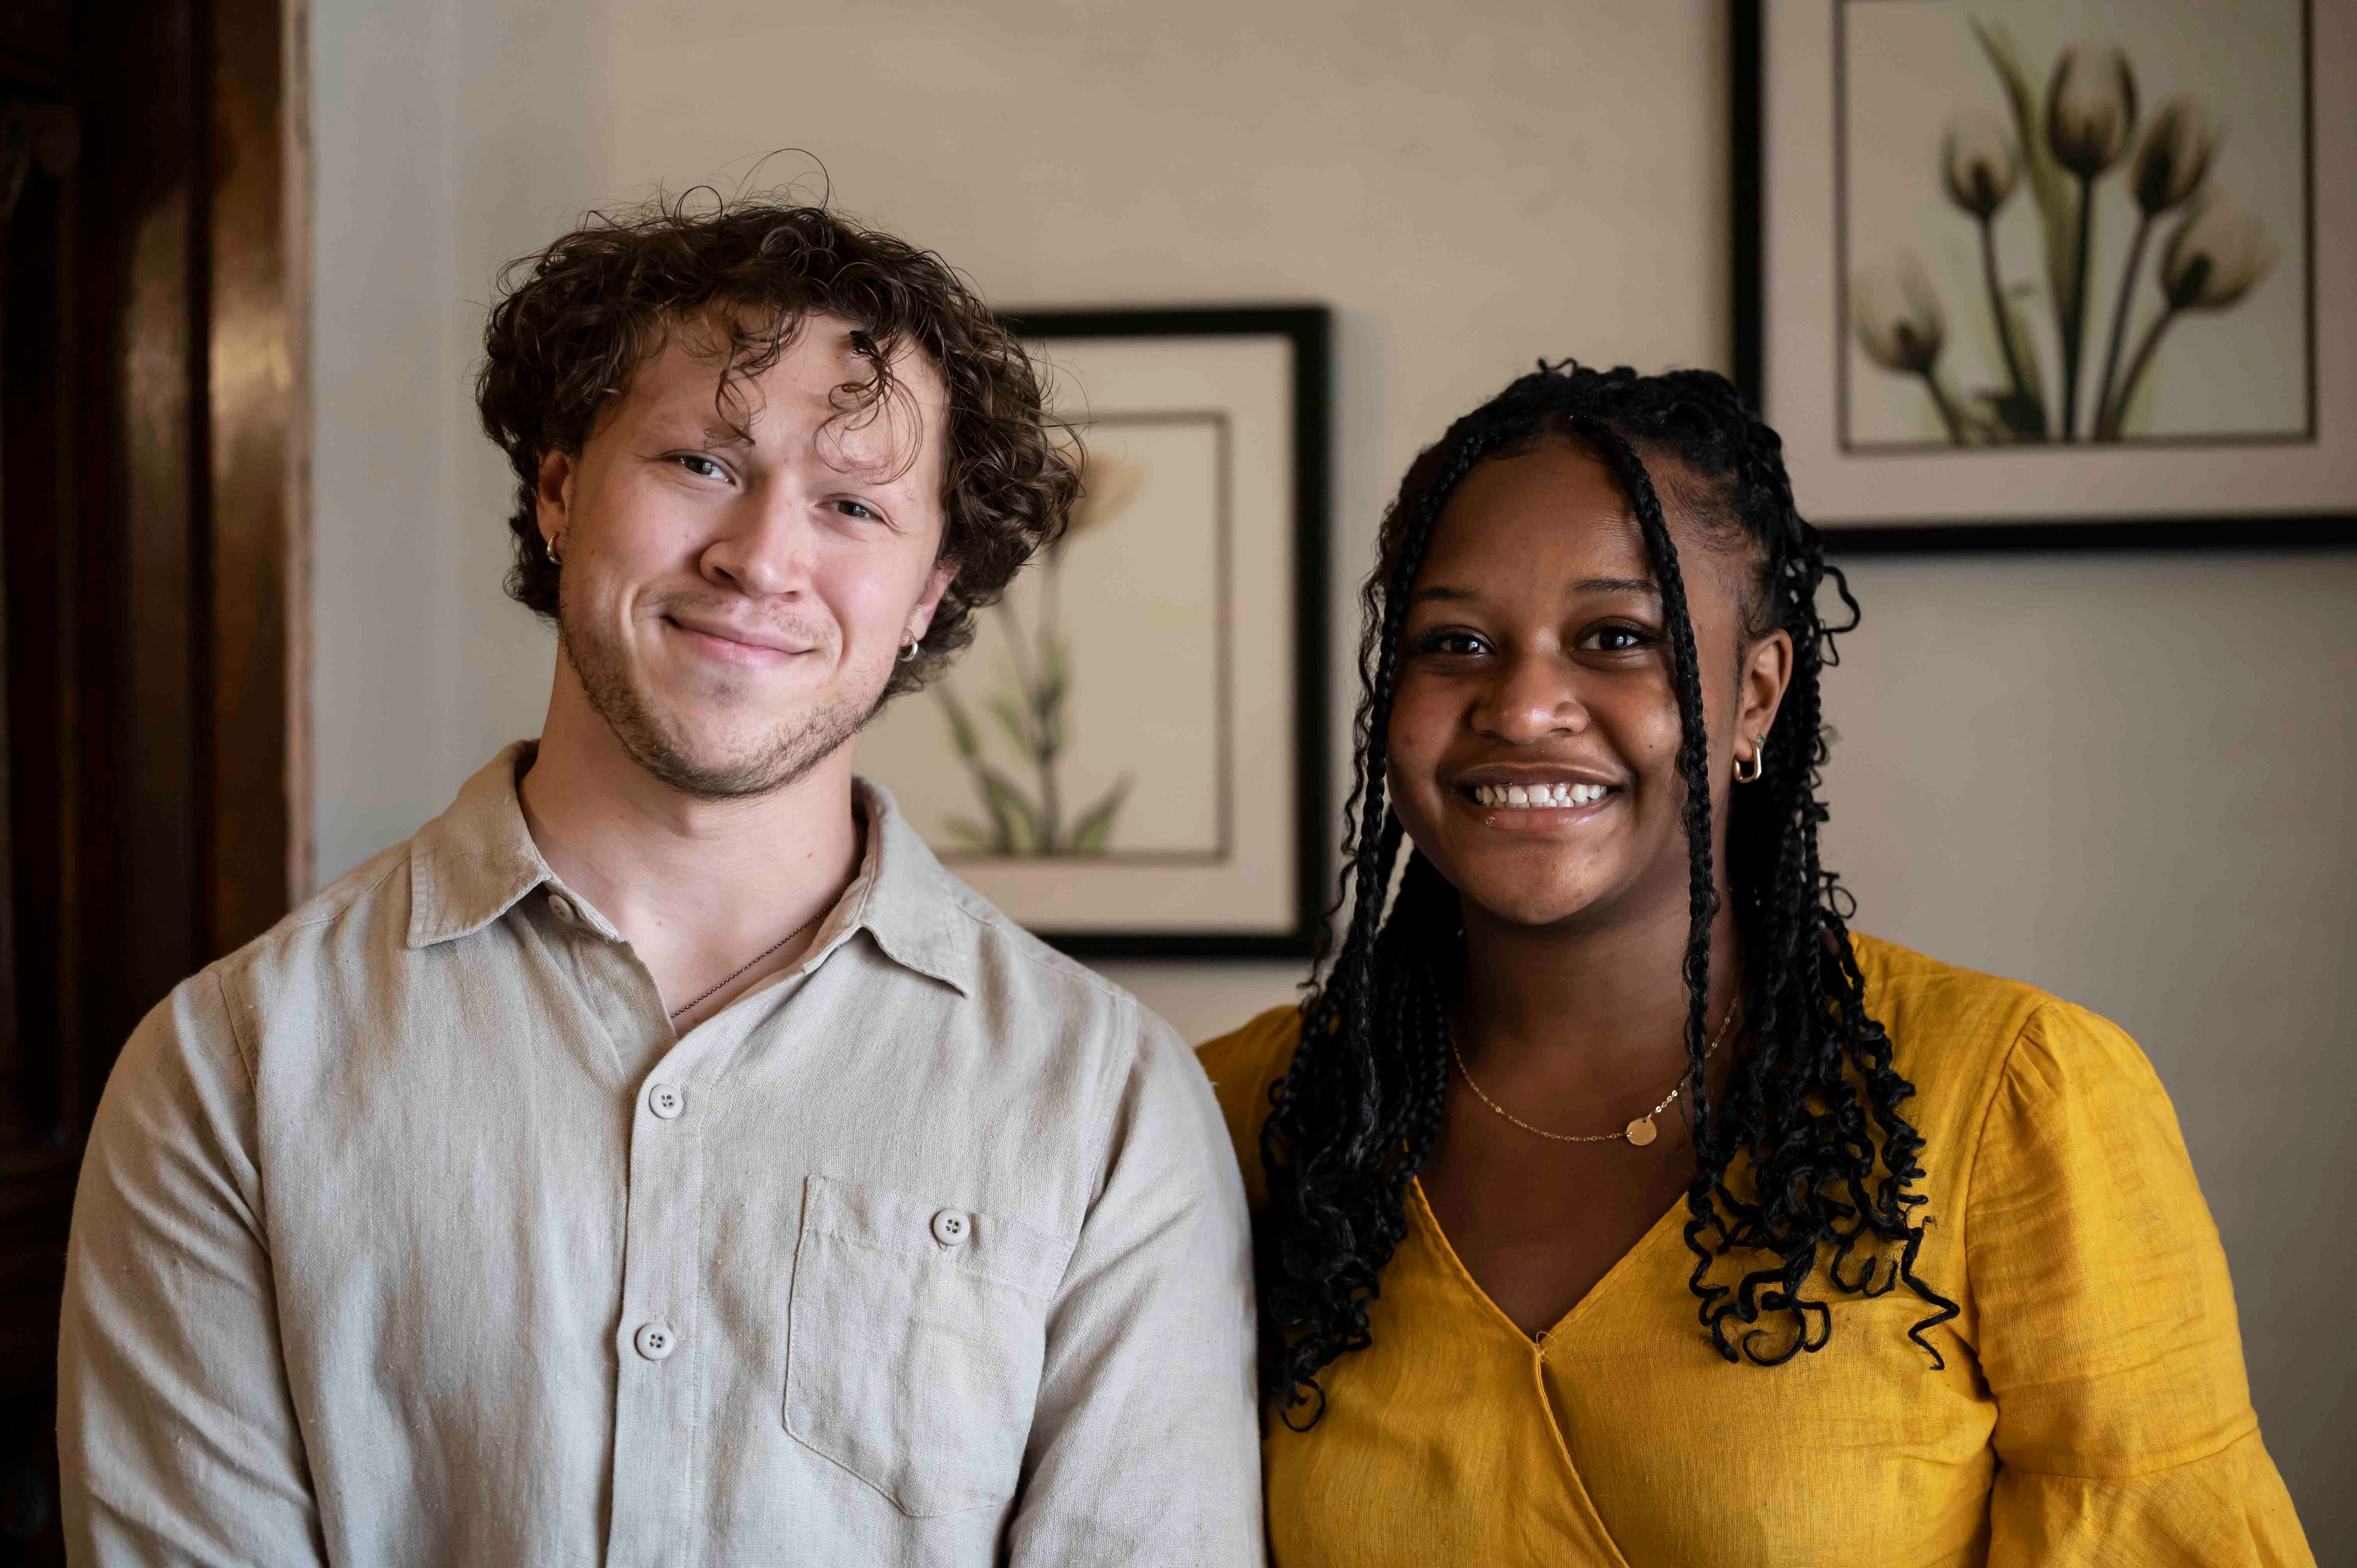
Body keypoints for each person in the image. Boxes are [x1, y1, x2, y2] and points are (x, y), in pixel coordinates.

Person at [60, 197, 1260, 1566]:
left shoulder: (1106, 1103)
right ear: (559, 489)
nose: (761, 556)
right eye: (700, 461)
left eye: (855, 502)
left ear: (930, 589)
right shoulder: (233, 1069)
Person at [1198, 362, 2312, 1565]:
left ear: (1756, 697)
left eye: (1616, 637)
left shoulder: (2016, 1102)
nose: (1523, 706)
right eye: (1455, 642)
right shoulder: (1244, 1115)